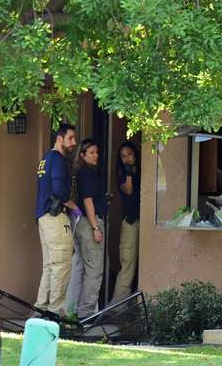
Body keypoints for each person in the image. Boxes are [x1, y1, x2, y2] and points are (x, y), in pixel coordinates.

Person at [35, 124, 82, 315]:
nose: (74, 143)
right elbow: (59, 190)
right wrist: (73, 206)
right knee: (61, 265)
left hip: (43, 216)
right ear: (59, 138)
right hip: (55, 218)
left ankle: (41, 310)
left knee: (50, 266)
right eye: (70, 138)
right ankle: (55, 313)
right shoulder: (59, 160)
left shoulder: (45, 159)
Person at [69, 138, 107, 318]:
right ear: (83, 155)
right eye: (91, 153)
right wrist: (96, 228)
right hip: (88, 223)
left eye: (97, 152)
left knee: (79, 267)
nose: (96, 156)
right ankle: (86, 314)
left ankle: (72, 309)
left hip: (78, 222)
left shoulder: (79, 172)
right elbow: (88, 201)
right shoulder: (88, 173)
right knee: (94, 270)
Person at [111, 141, 141, 303]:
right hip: (130, 221)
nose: (127, 158)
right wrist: (129, 172)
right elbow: (128, 189)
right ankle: (118, 305)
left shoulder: (144, 171)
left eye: (130, 154)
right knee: (128, 262)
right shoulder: (122, 174)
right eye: (123, 156)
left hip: (145, 220)